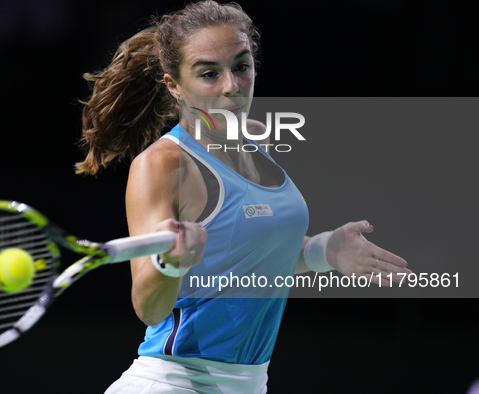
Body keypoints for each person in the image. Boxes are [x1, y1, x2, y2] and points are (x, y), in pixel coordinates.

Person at [75, 1, 410, 392]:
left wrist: (323, 250)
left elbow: (248, 254)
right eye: (209, 74)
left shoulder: (258, 140)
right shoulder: (163, 164)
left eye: (241, 66)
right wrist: (170, 263)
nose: (232, 86)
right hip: (176, 382)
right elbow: (148, 307)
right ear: (174, 86)